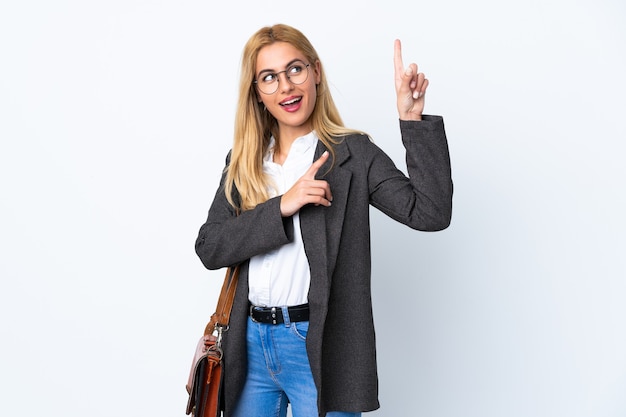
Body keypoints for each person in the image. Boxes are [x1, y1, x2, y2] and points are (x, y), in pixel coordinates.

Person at [195, 23, 453, 417]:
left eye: (295, 69)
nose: (285, 86)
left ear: (316, 72)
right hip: (248, 345)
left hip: (319, 344)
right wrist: (282, 205)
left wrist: (412, 122)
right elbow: (210, 247)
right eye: (269, 78)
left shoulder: (353, 154)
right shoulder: (245, 162)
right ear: (257, 93)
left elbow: (430, 213)